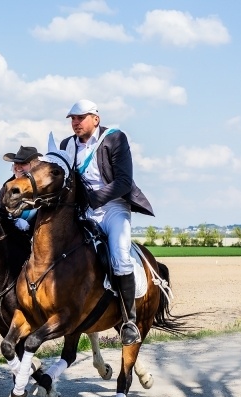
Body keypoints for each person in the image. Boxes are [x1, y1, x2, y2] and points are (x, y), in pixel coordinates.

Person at [59, 99, 154, 345]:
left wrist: (95, 198)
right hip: (84, 211)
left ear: (96, 119)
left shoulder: (115, 138)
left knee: (121, 255)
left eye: (80, 118)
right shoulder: (66, 145)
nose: (75, 123)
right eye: (72, 119)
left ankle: (129, 320)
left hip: (113, 208)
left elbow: (123, 182)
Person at [2, 146, 42, 231]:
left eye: (23, 164)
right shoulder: (6, 186)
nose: (18, 167)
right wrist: (13, 222)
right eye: (16, 163)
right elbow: (1, 213)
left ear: (34, 165)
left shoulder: (42, 188)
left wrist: (30, 226)